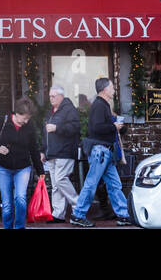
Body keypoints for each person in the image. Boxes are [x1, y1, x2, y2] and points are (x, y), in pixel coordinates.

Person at [69, 79, 131, 228]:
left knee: (114, 185)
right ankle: (78, 215)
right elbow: (96, 128)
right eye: (111, 87)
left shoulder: (102, 105)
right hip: (101, 152)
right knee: (91, 183)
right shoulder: (99, 105)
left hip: (105, 152)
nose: (114, 90)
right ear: (104, 90)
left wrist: (116, 126)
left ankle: (123, 215)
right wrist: (113, 126)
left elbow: (100, 127)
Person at [0, 97, 43, 229]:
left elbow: (34, 148)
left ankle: (19, 227)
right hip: (2, 168)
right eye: (25, 118)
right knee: (7, 203)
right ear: (17, 114)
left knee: (20, 198)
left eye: (28, 118)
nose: (27, 121)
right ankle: (8, 227)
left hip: (23, 168)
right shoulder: (3, 121)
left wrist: (40, 171)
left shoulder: (30, 126)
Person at [43, 84, 81, 222]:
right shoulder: (51, 111)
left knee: (60, 180)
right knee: (55, 185)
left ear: (61, 96)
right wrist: (43, 150)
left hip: (65, 152)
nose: (51, 99)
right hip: (52, 153)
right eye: (50, 97)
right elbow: (45, 132)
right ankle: (58, 214)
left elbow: (75, 127)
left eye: (53, 96)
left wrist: (57, 128)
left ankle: (78, 206)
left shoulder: (69, 109)